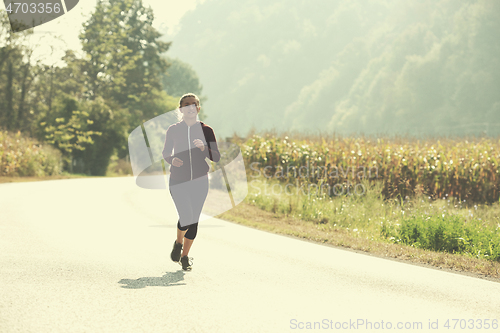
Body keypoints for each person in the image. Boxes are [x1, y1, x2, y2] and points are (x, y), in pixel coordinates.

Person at [162, 93, 221, 271]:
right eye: (186, 105)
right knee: (186, 216)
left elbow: (216, 157)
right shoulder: (173, 129)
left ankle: (185, 256)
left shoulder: (206, 130)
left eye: (193, 104)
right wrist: (172, 160)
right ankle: (178, 242)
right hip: (178, 180)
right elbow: (165, 153)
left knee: (194, 220)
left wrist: (204, 148)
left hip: (200, 181)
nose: (190, 107)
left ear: (198, 108)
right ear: (180, 109)